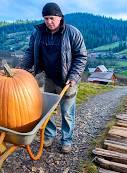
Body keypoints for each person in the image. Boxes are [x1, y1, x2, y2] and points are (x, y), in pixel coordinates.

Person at [20, 2, 87, 153]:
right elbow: (30, 52)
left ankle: (66, 140)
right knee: (48, 110)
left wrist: (74, 77)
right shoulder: (38, 33)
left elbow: (81, 57)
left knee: (67, 113)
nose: (48, 22)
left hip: (68, 80)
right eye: (45, 18)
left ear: (60, 17)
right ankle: (49, 136)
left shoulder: (72, 33)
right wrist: (22, 68)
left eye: (51, 18)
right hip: (50, 78)